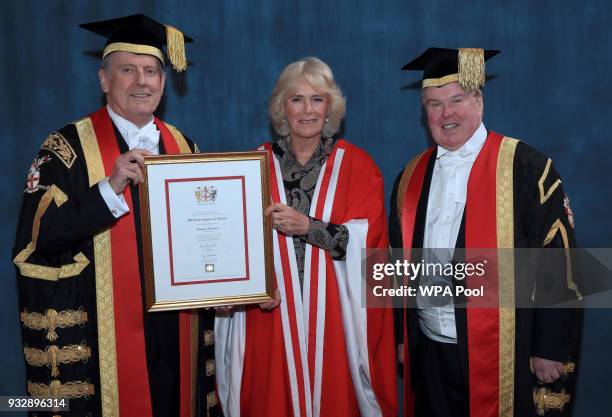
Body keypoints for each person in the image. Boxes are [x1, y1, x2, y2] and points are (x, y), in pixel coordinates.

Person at [13, 14, 220, 417]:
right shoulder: (64, 150)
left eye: (151, 71)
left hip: (175, 331)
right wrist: (108, 189)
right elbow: (37, 243)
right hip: (100, 338)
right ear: (104, 80)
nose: (142, 81)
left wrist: (223, 286)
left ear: (163, 81)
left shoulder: (186, 147)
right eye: (128, 70)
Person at [389, 47, 582, 417]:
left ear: (479, 101)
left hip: (505, 351)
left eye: (457, 99)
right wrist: (403, 336)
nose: (447, 113)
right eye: (434, 103)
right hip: (430, 350)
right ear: (423, 112)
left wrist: (551, 346)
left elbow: (558, 258)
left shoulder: (525, 168)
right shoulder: (410, 177)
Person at [215, 57, 397, 417]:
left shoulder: (358, 166)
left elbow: (370, 247)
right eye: (296, 99)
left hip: (335, 325)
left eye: (317, 99)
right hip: (268, 317)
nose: (307, 110)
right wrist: (238, 293)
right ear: (282, 107)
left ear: (330, 107)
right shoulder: (252, 166)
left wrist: (308, 227)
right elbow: (230, 246)